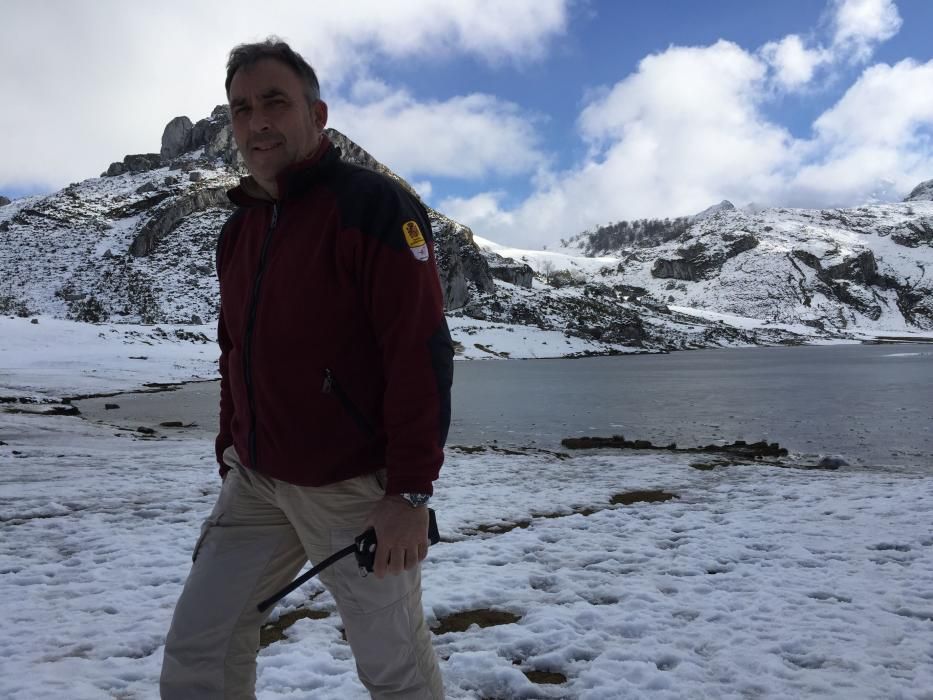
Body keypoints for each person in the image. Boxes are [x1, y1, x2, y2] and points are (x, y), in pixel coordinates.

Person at [160, 38, 453, 700]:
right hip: (256, 483)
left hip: (351, 489)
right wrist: (230, 446)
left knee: (394, 667)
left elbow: (419, 349)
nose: (256, 121)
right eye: (240, 108)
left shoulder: (372, 206)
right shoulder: (238, 230)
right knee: (199, 644)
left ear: (316, 115)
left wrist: (409, 493)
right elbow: (235, 349)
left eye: (274, 101)